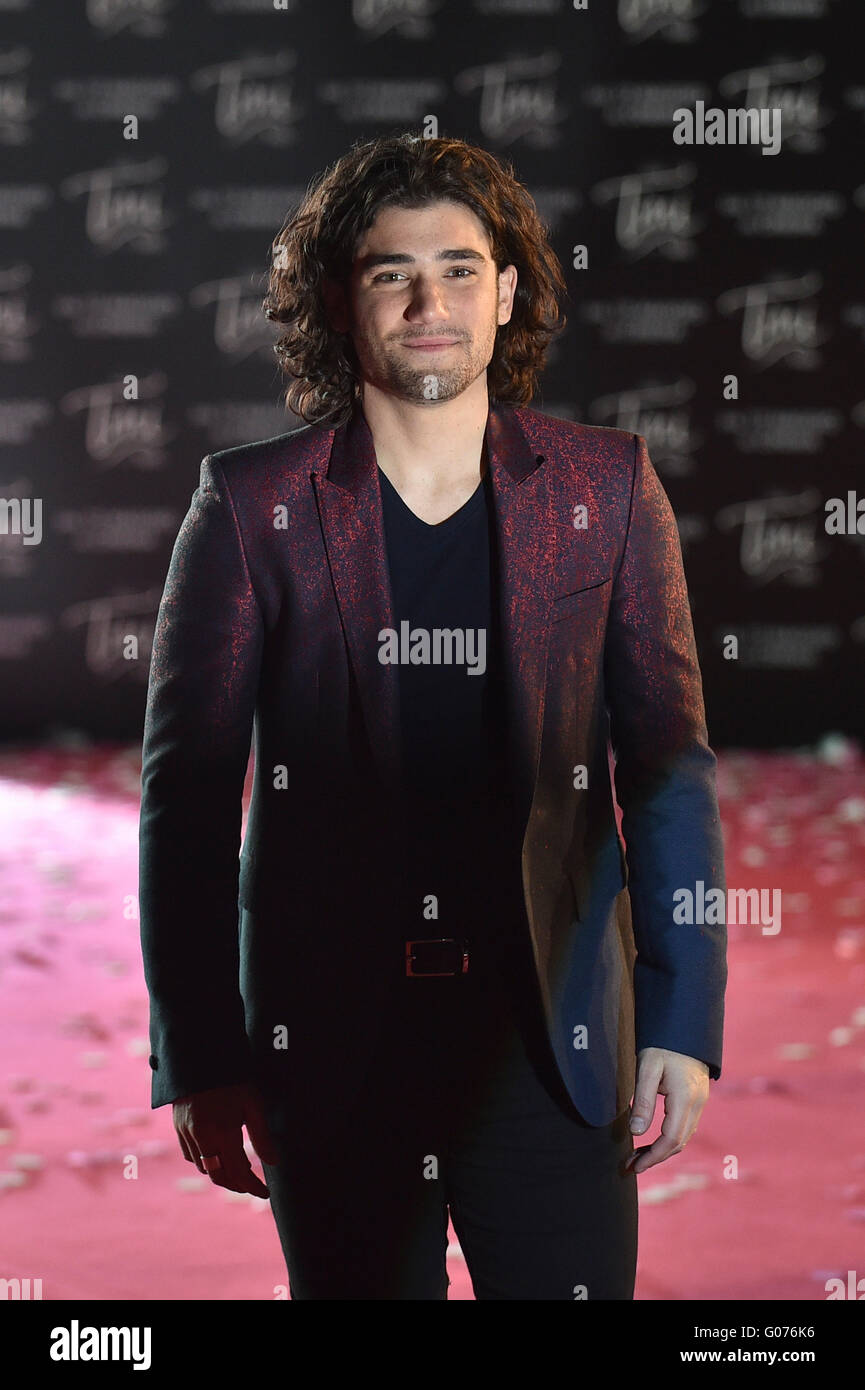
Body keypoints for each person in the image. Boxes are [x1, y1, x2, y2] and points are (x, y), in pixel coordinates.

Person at [138, 133, 727, 1300]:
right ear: (338, 299)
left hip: (548, 1041)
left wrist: (682, 1014)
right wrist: (201, 1055)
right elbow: (189, 805)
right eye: (388, 270)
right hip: (334, 1046)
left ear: (507, 293)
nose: (428, 301)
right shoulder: (253, 507)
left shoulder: (606, 489)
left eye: (460, 268)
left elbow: (666, 766)